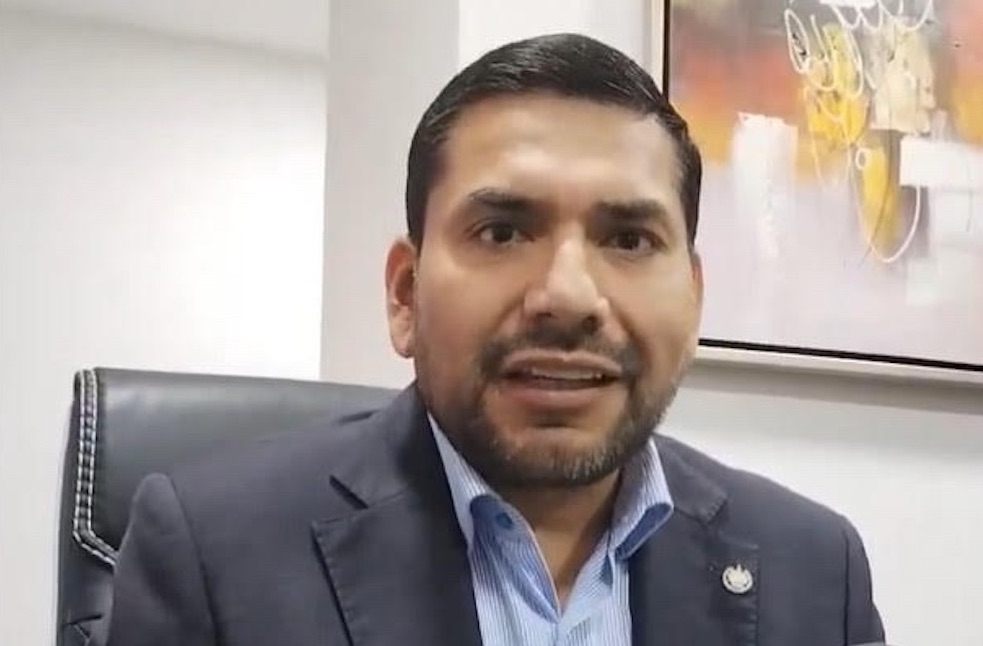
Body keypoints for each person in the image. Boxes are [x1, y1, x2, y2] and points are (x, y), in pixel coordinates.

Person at [105, 33, 884, 646]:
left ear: (693, 295)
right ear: (404, 294)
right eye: (503, 231)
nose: (567, 297)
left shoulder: (814, 573)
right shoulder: (215, 554)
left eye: (628, 239)